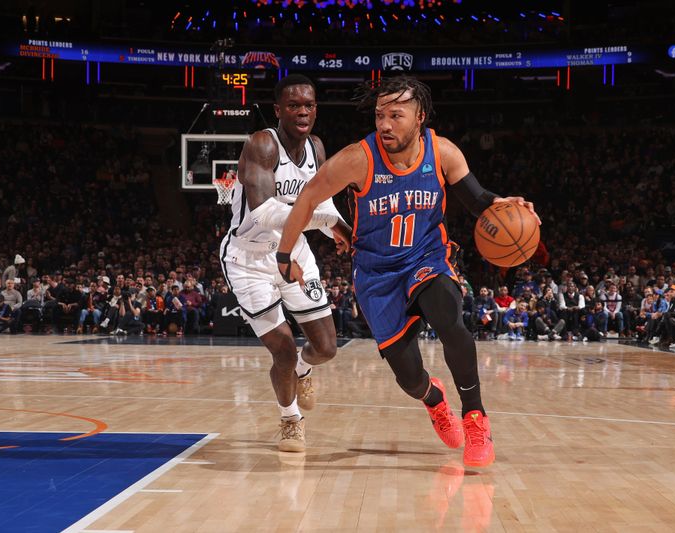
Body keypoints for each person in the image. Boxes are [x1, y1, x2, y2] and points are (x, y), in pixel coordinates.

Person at [276, 75, 539, 467]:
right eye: (380, 115)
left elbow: (476, 199)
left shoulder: (443, 153)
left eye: (395, 115)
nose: (384, 124)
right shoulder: (358, 158)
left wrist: (502, 203)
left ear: (420, 118)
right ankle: (434, 400)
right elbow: (308, 197)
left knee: (452, 322)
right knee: (410, 378)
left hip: (425, 259)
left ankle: (475, 418)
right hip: (376, 274)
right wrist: (284, 255)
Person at [218, 74, 351, 452]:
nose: (303, 111)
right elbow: (262, 213)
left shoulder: (316, 148)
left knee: (326, 347)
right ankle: (290, 418)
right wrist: (318, 225)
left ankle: (304, 371)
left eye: (309, 105)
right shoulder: (262, 144)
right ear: (278, 110)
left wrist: (343, 228)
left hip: (294, 251)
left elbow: (321, 203)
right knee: (284, 349)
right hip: (250, 257)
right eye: (294, 105)